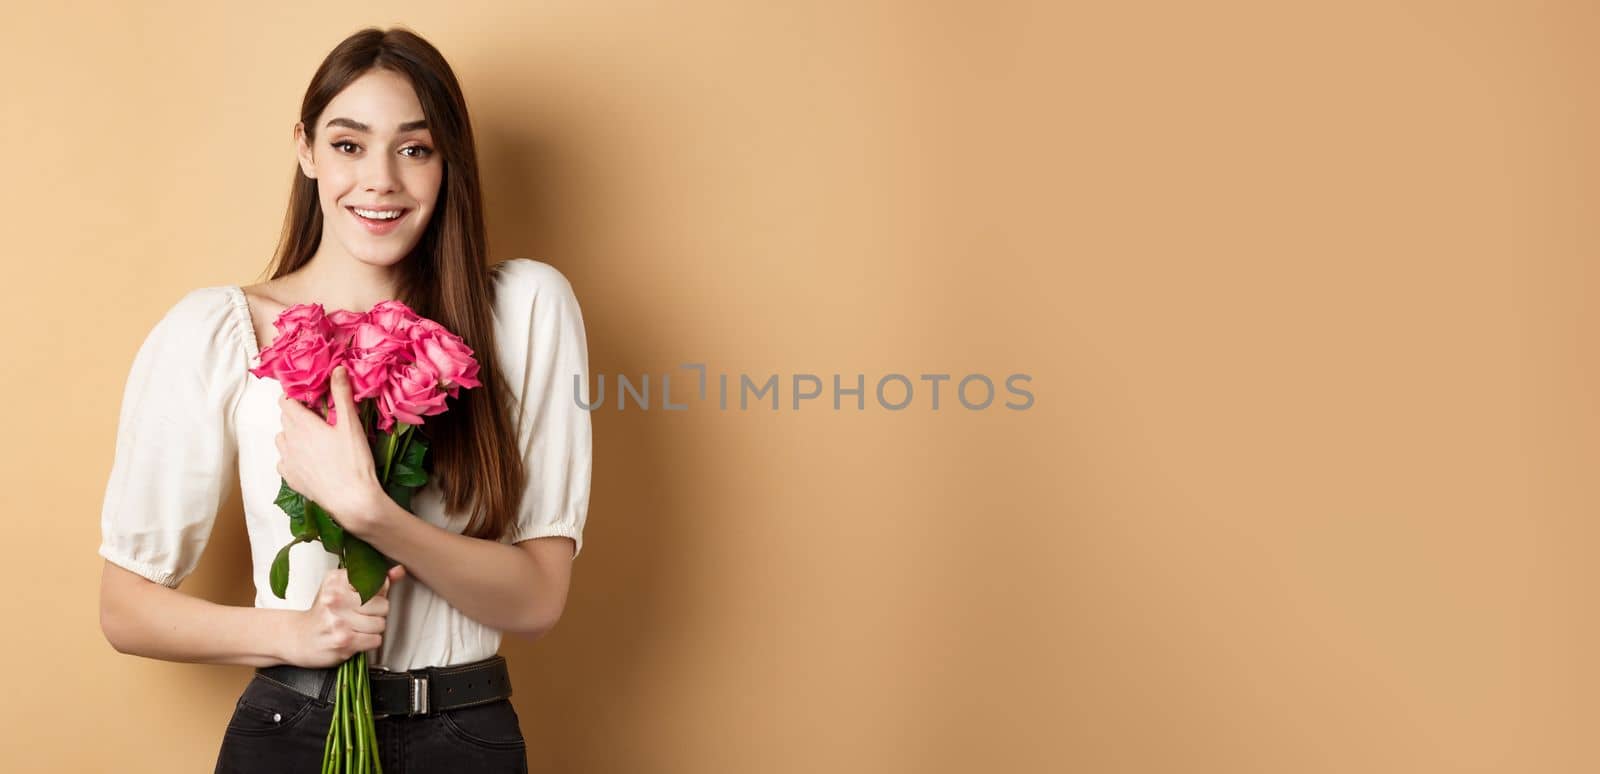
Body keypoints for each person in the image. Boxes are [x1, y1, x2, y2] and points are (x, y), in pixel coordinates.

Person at [95, 26, 591, 773]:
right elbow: (124, 609)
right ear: (306, 150)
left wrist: (372, 515)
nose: (381, 181)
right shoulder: (217, 331)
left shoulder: (523, 313)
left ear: (448, 160)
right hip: (289, 726)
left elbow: (536, 602)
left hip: (466, 735)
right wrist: (295, 634)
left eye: (414, 149)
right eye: (349, 145)